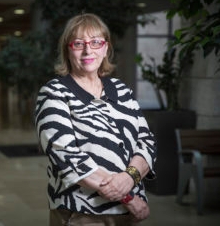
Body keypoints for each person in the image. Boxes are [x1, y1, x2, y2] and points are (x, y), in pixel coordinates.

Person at [34, 13, 157, 226]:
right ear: (67, 49)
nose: (88, 50)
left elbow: (146, 142)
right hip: (81, 212)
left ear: (106, 47)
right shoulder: (54, 93)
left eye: (96, 42)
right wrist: (127, 198)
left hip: (128, 213)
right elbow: (67, 158)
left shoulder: (121, 90)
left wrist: (129, 178)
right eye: (79, 43)